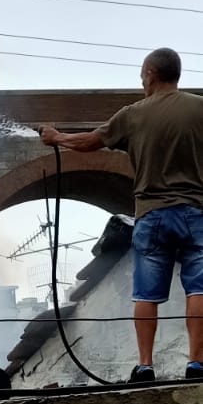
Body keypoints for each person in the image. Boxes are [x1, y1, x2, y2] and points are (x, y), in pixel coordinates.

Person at [40, 47, 203, 383]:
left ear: (151, 75)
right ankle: (197, 364)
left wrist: (57, 137)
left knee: (146, 295)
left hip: (152, 216)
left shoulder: (132, 115)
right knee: (198, 290)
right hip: (195, 214)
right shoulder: (199, 109)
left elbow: (89, 142)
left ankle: (144, 366)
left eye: (142, 74)